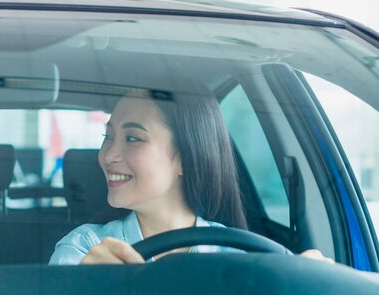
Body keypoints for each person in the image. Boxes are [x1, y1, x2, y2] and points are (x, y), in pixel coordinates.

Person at [50, 85, 331, 265]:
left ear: (187, 157)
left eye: (133, 138)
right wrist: (83, 291)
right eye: (107, 136)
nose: (108, 154)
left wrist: (310, 283)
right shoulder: (83, 251)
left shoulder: (237, 256)